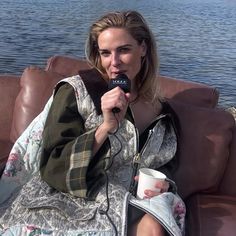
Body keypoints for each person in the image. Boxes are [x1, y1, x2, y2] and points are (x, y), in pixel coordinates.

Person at [0, 10, 185, 236]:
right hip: (71, 199)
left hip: (127, 203)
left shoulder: (163, 115)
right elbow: (53, 167)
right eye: (105, 53)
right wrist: (105, 127)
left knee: (155, 228)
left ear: (143, 49)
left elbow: (165, 165)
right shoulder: (77, 93)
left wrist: (163, 185)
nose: (114, 62)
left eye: (124, 50)